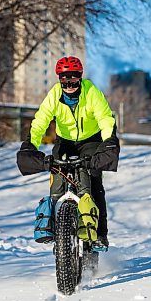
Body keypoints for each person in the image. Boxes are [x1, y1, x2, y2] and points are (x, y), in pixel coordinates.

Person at [17, 56, 120, 250]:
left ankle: (100, 234)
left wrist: (108, 141)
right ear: (59, 80)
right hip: (65, 142)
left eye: (73, 78)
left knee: (94, 182)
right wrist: (31, 143)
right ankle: (55, 230)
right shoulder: (55, 94)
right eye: (64, 79)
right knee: (56, 173)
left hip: (91, 141)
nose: (69, 83)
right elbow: (41, 120)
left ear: (80, 77)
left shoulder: (91, 92)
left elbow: (105, 119)